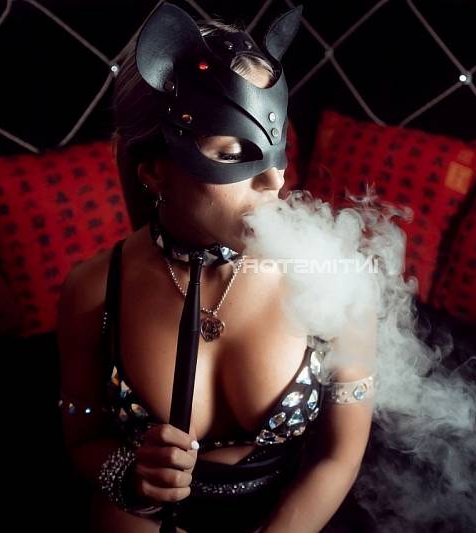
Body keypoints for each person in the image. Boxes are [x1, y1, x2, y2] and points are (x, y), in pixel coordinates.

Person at [56, 3, 377, 531]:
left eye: (276, 149)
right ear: (155, 172)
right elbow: (82, 437)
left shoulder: (333, 280)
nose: (274, 181)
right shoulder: (93, 290)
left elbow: (336, 456)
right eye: (232, 154)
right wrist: (131, 476)